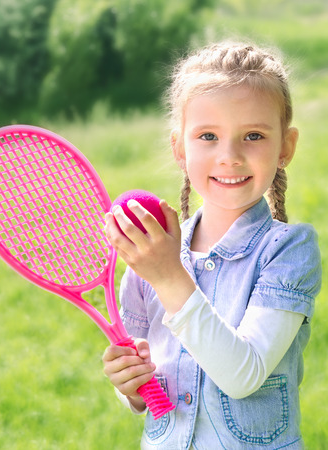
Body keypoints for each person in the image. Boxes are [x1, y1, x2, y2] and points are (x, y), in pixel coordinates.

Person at [102, 41, 322, 449]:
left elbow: (243, 376)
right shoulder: (149, 257)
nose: (229, 156)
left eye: (253, 135)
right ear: (179, 148)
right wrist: (130, 387)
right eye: (207, 136)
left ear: (285, 147)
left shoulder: (288, 250)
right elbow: (144, 373)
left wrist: (169, 275)